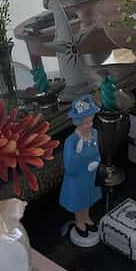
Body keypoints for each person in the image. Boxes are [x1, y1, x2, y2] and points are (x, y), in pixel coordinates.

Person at [59, 95, 102, 247]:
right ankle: (80, 221)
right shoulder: (72, 141)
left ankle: (87, 217)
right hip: (77, 178)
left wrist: (96, 162)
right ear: (77, 122)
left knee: (88, 197)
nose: (89, 125)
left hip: (91, 175)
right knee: (79, 199)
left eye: (91, 121)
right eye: (85, 123)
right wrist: (82, 159)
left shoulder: (95, 134)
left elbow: (98, 152)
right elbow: (69, 165)